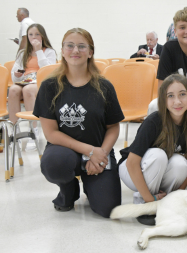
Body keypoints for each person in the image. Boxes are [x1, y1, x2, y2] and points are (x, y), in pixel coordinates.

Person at [33, 28, 124, 218]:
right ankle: (69, 189)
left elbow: (113, 127)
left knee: (108, 209)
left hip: (99, 151)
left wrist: (100, 154)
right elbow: (51, 134)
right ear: (63, 51)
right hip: (65, 152)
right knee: (56, 164)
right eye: (70, 45)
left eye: (82, 46)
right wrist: (89, 151)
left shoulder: (104, 86)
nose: (76, 50)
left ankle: (92, 186)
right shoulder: (49, 86)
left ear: (90, 52)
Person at [118, 74, 187, 225]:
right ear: (163, 100)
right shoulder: (154, 121)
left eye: (182, 94)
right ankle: (145, 204)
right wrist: (151, 200)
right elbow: (131, 163)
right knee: (158, 154)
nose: (177, 101)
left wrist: (177, 197)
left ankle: (165, 202)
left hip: (160, 170)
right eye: (170, 96)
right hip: (132, 170)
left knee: (180, 163)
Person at [147, 6, 187, 115]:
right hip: (177, 100)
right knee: (154, 105)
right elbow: (162, 88)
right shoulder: (168, 48)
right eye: (182, 27)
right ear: (175, 31)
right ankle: (161, 131)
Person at [10, 23, 56, 151]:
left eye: (37, 34)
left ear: (42, 36)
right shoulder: (22, 53)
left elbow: (48, 71)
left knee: (28, 90)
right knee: (13, 90)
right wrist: (17, 75)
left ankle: (33, 131)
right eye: (31, 35)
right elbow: (15, 78)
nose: (34, 37)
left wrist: (39, 51)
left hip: (41, 82)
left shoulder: (49, 51)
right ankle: (15, 132)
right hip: (25, 81)